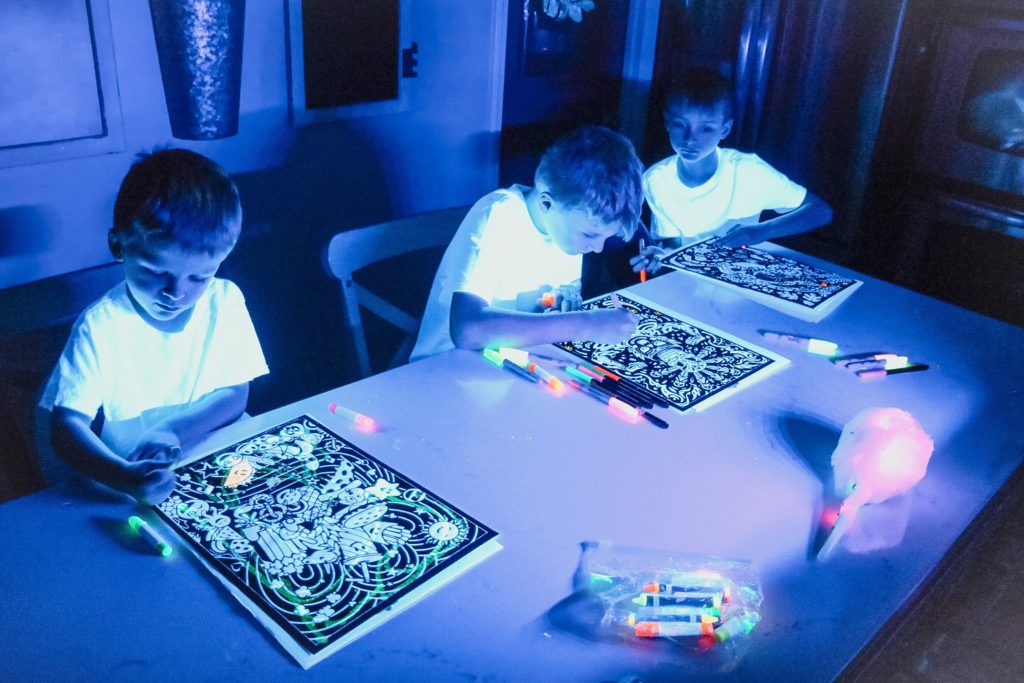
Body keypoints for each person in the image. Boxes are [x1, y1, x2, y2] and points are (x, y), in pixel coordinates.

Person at [40, 149, 268, 504]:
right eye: (155, 271)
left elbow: (236, 394)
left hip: (223, 463)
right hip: (138, 479)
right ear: (118, 245)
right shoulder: (100, 327)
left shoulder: (225, 301)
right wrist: (122, 476)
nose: (176, 293)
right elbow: (66, 428)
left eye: (199, 277)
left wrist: (171, 431)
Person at [410, 125, 642, 361]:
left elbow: (534, 313)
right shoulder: (500, 213)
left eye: (605, 237)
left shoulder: (565, 229)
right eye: (590, 235)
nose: (597, 248)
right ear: (547, 204)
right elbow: (467, 330)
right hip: (444, 367)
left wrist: (554, 308)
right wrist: (584, 324)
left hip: (505, 364)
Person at [631, 67, 832, 275]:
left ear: (724, 129)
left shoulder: (749, 171)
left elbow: (820, 211)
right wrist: (661, 256)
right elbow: (672, 244)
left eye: (706, 128)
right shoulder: (655, 180)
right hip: (689, 282)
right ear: (667, 122)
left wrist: (763, 230)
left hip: (742, 279)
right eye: (680, 125)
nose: (690, 138)